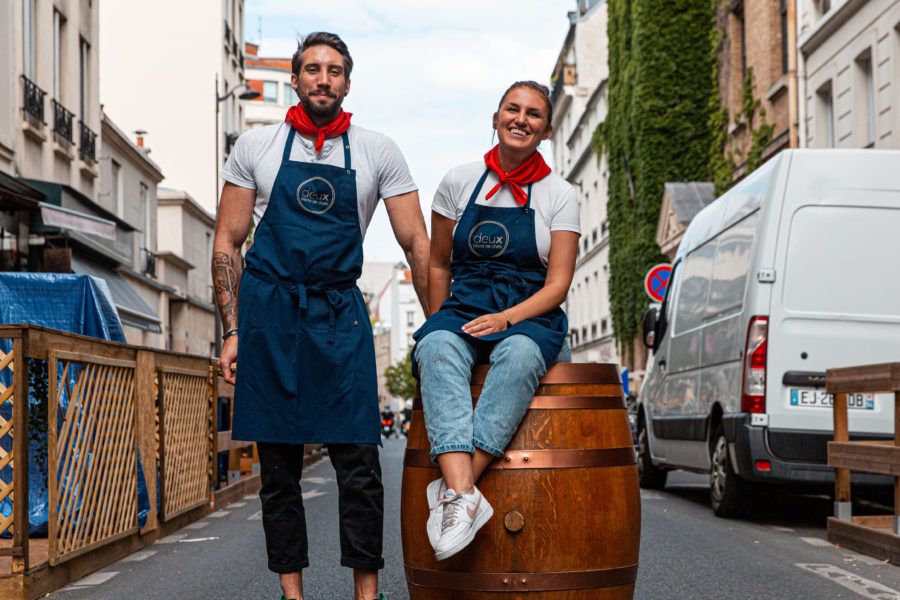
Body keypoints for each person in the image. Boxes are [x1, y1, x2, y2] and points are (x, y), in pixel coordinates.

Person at [213, 32, 429, 600]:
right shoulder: (255, 147)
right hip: (270, 315)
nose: (323, 79)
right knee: (278, 470)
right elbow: (227, 243)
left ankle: (367, 593)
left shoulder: (377, 150)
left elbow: (417, 244)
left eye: (334, 70)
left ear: (347, 83)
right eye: (312, 69)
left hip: (339, 313)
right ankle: (293, 593)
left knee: (360, 463)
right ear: (296, 79)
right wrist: (233, 330)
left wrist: (438, 329)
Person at [412, 81, 580, 561]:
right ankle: (464, 495)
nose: (521, 119)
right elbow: (439, 264)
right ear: (496, 116)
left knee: (521, 353)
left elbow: (558, 286)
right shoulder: (457, 181)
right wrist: (440, 322)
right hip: (465, 304)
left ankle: (457, 491)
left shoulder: (559, 194)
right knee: (435, 348)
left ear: (546, 129)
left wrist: (506, 318)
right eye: (513, 109)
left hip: (530, 311)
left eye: (533, 114)